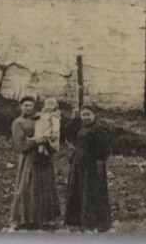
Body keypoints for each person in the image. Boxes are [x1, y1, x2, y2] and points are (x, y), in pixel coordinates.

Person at [9, 95, 61, 229]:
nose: (28, 108)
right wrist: (37, 141)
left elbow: (53, 128)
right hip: (29, 159)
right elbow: (20, 144)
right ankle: (24, 218)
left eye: (30, 105)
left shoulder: (40, 118)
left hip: (44, 157)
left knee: (44, 185)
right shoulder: (18, 123)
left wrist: (49, 140)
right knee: (28, 186)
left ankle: (45, 218)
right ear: (20, 107)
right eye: (25, 105)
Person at [64, 106, 113, 232]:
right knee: (78, 190)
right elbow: (68, 134)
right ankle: (77, 220)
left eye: (88, 114)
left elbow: (104, 149)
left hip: (91, 165)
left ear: (94, 115)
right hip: (78, 163)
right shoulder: (81, 128)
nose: (86, 117)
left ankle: (92, 221)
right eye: (83, 115)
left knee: (91, 192)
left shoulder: (98, 129)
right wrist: (73, 118)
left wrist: (98, 161)